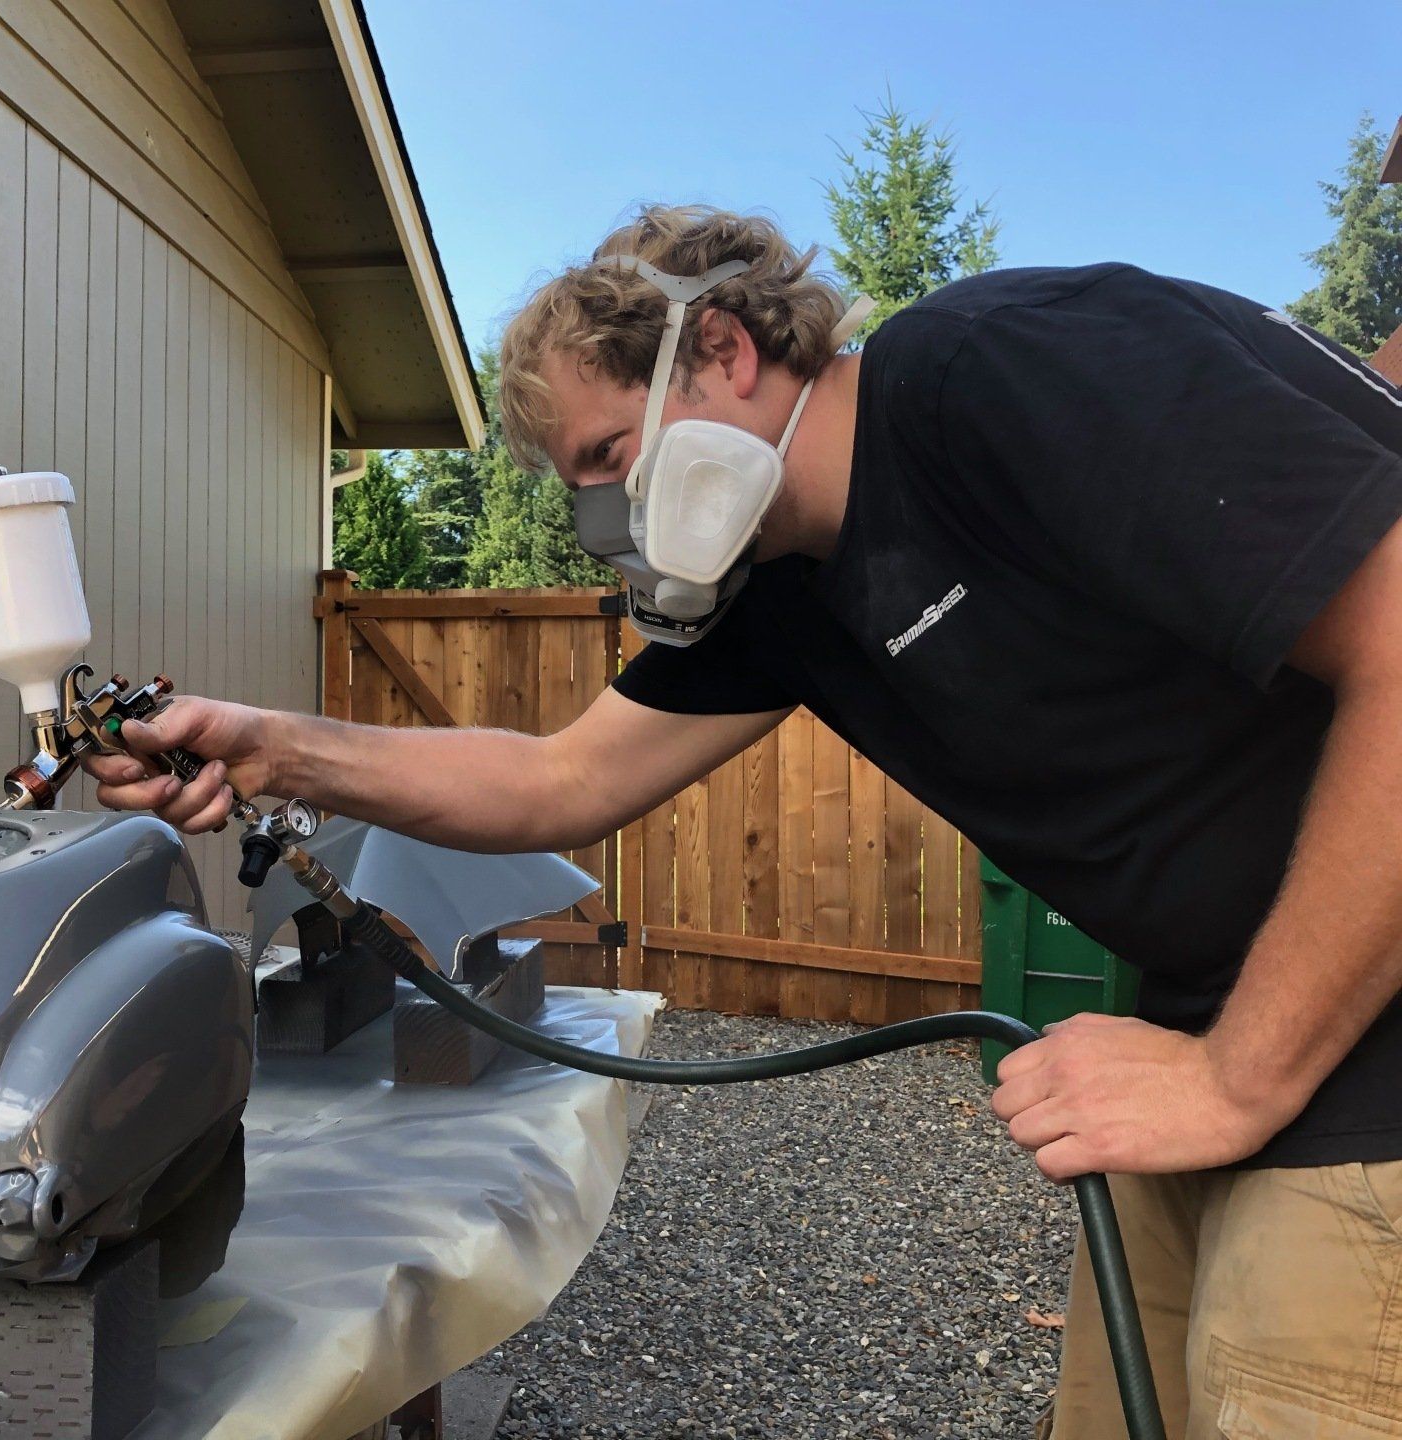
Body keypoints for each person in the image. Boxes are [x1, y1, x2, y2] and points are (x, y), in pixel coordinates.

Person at [88, 205, 1402, 1437]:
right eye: (582, 492)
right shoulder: (783, 586)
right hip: (1227, 1028)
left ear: (723, 350)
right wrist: (278, 751)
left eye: (609, 458)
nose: (609, 518)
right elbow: (560, 782)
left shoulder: (988, 370)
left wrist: (1239, 1078)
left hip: (1342, 1042)